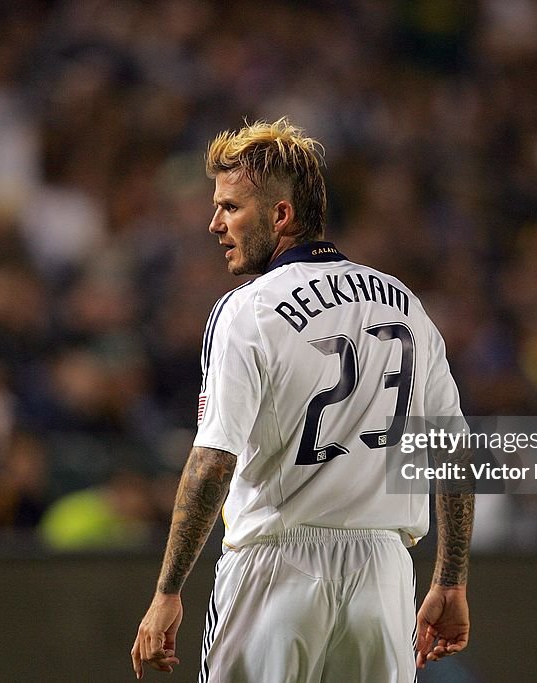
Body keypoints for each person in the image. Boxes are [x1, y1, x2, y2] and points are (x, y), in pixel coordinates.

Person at [131, 118, 474, 681]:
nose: (214, 223)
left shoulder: (249, 309)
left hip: (276, 567)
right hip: (385, 577)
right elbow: (454, 454)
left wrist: (168, 591)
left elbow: (214, 459)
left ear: (281, 215)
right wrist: (451, 580)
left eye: (231, 207)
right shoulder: (405, 306)